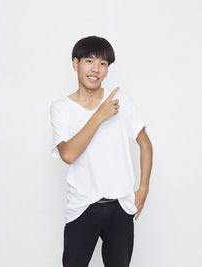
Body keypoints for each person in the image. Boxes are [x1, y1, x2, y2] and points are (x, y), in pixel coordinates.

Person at [50, 35, 153, 267]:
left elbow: (145, 143)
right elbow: (68, 154)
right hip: (82, 205)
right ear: (76, 63)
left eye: (103, 64)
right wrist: (99, 115)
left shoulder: (121, 101)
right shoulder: (61, 108)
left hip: (120, 206)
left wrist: (144, 188)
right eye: (89, 61)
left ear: (107, 70)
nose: (96, 69)